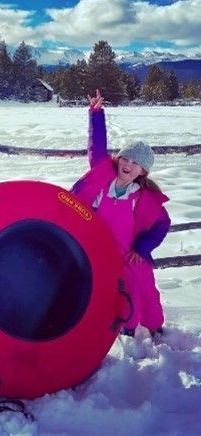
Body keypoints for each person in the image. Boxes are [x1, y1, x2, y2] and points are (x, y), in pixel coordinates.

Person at [71, 90, 170, 339]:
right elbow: (97, 148)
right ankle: (126, 329)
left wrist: (143, 247)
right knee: (121, 292)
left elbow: (162, 223)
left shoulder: (143, 197)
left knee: (146, 290)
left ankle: (155, 326)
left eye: (135, 163)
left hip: (131, 254)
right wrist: (95, 114)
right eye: (125, 158)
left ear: (143, 172)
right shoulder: (103, 181)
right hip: (100, 251)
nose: (128, 164)